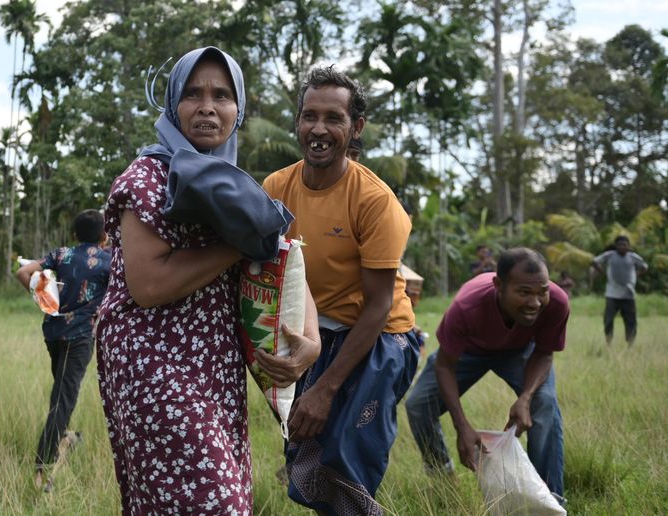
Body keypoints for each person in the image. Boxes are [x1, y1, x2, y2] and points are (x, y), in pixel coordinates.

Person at [95, 47, 320, 514]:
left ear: (238, 110)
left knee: (221, 495)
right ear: (173, 103)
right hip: (151, 363)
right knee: (211, 499)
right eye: (193, 94)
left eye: (222, 95)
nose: (207, 106)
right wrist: (237, 243)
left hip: (214, 366)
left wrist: (311, 340)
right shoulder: (147, 178)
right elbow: (149, 285)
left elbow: (280, 255)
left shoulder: (233, 184)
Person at [262, 65, 419, 514]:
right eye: (309, 116)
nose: (319, 129)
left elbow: (378, 306)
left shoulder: (375, 201)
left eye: (334, 118)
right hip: (314, 335)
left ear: (356, 128)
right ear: (297, 122)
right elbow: (267, 274)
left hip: (379, 338)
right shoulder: (276, 188)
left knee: (348, 464)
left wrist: (326, 389)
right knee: (307, 459)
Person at [405, 248, 568, 503]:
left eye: (541, 291)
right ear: (498, 286)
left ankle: (550, 498)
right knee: (418, 405)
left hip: (522, 351)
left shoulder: (556, 302)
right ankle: (444, 481)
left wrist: (525, 397)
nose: (535, 302)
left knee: (543, 404)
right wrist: (462, 427)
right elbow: (445, 365)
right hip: (469, 351)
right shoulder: (467, 305)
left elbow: (545, 353)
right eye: (524, 292)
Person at [16, 209, 111, 491]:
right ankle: (42, 469)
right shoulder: (110, 260)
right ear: (104, 236)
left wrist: (43, 297)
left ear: (73, 236)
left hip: (54, 333)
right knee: (63, 400)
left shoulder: (61, 254)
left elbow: (24, 271)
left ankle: (65, 437)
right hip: (80, 337)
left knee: (61, 391)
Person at [592, 235, 647, 346]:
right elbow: (594, 262)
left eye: (624, 244)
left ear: (628, 246)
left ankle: (630, 343)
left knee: (630, 321)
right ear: (616, 246)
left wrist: (636, 275)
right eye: (620, 244)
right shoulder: (610, 255)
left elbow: (644, 266)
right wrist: (603, 273)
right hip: (612, 294)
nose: (622, 247)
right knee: (608, 320)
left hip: (628, 294)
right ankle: (609, 341)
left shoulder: (633, 257)